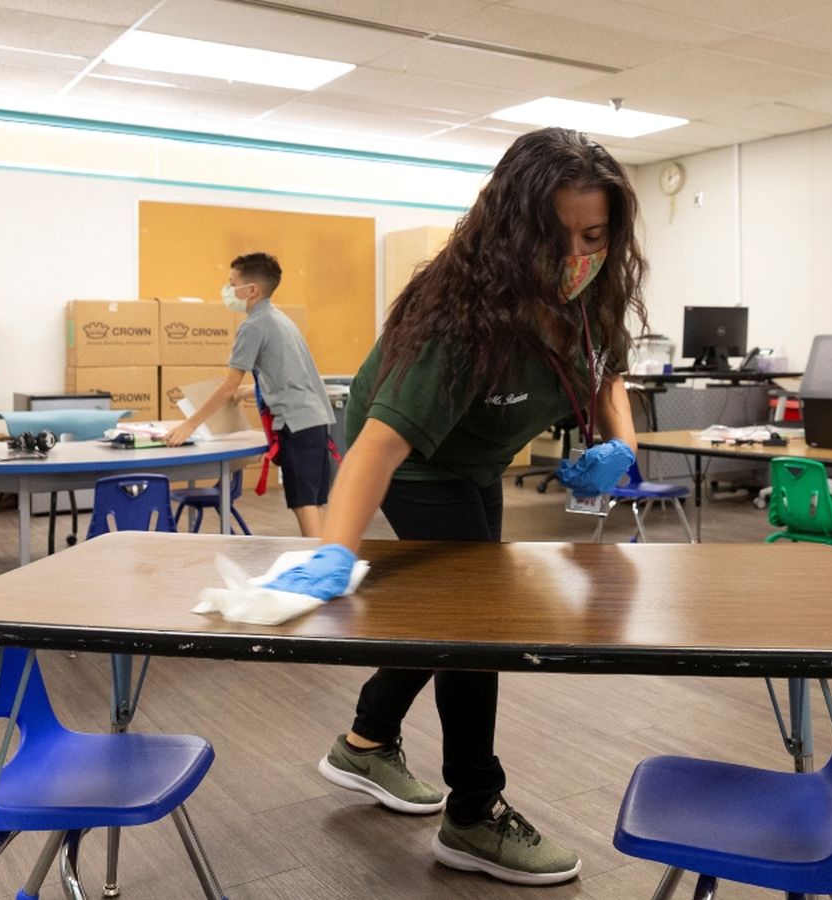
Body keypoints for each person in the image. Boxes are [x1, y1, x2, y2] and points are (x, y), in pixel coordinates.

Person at [264, 128, 646, 885]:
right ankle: (473, 811)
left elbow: (607, 377)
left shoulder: (592, 297)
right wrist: (333, 550)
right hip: (415, 458)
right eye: (554, 237)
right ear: (511, 233)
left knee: (452, 609)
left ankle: (367, 742)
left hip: (474, 458)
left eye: (594, 235)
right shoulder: (459, 320)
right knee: (478, 619)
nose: (576, 255)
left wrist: (622, 446)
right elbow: (378, 447)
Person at [162, 253, 336, 537]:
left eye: (232, 283)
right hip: (315, 421)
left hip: (295, 423)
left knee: (304, 504)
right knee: (315, 502)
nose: (228, 290)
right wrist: (248, 391)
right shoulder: (280, 319)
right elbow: (289, 374)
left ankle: (320, 568)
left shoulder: (253, 326)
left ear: (251, 289)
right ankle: (328, 561)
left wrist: (189, 424)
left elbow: (228, 384)